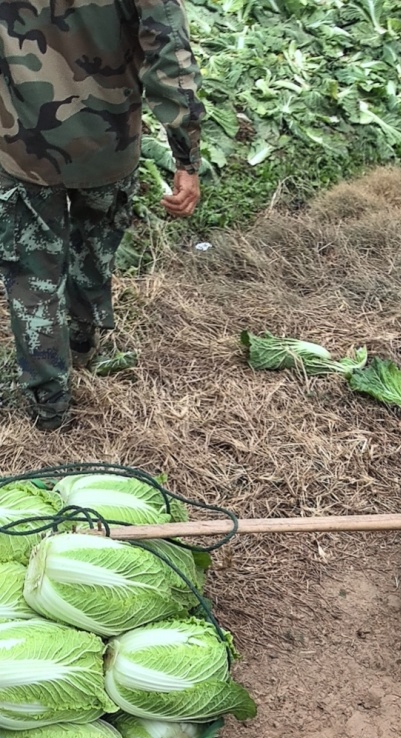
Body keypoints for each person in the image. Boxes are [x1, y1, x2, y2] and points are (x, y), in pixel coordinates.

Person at [0, 1, 204, 430]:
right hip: (108, 145)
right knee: (94, 250)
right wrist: (186, 157)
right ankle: (81, 343)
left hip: (22, 147)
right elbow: (170, 53)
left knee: (32, 279)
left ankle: (51, 407)